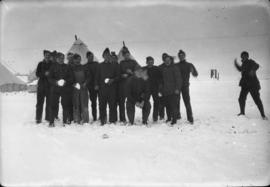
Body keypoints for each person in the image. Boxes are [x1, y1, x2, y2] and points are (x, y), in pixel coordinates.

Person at [234, 51, 267, 120]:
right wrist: (236, 64)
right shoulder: (243, 64)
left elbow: (257, 65)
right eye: (242, 56)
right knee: (241, 99)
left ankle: (263, 115)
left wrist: (252, 70)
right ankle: (242, 113)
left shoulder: (251, 62)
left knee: (257, 100)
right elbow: (240, 69)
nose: (243, 57)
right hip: (245, 85)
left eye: (245, 56)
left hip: (253, 85)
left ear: (247, 56)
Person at [95, 48, 119, 125]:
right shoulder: (100, 66)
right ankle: (103, 120)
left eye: (108, 55)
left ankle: (112, 120)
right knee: (102, 105)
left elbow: (118, 76)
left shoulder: (114, 65)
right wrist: (96, 85)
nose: (107, 56)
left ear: (110, 56)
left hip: (112, 89)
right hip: (102, 89)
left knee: (112, 105)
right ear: (103, 56)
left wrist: (112, 80)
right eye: (105, 55)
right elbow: (97, 77)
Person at [48, 52, 73, 127]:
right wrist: (56, 82)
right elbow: (49, 78)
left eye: (63, 58)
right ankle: (51, 122)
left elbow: (71, 78)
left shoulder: (67, 67)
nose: (61, 60)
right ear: (57, 59)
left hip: (65, 89)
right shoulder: (53, 67)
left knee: (65, 105)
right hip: (55, 89)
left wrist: (66, 81)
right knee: (53, 105)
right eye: (60, 58)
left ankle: (65, 121)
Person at [175, 50, 198, 124]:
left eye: (182, 55)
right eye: (180, 56)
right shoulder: (176, 65)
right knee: (176, 102)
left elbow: (196, 74)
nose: (181, 57)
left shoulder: (189, 65)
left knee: (187, 102)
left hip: (185, 86)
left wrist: (193, 71)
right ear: (178, 57)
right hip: (177, 86)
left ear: (184, 56)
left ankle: (190, 117)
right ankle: (177, 116)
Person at [118, 47, 140, 123]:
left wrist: (131, 73)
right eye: (125, 55)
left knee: (131, 101)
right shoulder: (121, 63)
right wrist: (122, 75)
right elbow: (118, 73)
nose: (127, 56)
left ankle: (131, 118)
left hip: (132, 85)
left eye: (128, 54)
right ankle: (123, 118)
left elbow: (138, 71)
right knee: (122, 102)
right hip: (123, 84)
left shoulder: (134, 62)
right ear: (123, 56)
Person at [160, 55, 182, 125]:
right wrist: (161, 90)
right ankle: (169, 118)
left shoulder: (175, 68)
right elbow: (162, 81)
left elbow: (179, 79)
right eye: (166, 60)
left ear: (170, 60)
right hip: (165, 91)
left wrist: (177, 89)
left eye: (168, 60)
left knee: (173, 106)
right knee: (167, 105)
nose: (167, 61)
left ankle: (174, 119)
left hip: (173, 91)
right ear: (164, 61)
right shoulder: (163, 69)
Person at [71, 54, 90, 124]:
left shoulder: (84, 67)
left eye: (78, 59)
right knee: (76, 104)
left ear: (80, 59)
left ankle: (85, 119)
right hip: (75, 89)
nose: (77, 61)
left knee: (84, 104)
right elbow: (70, 78)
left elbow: (89, 77)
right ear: (73, 60)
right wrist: (73, 84)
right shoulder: (71, 68)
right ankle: (77, 119)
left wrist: (85, 83)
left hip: (83, 88)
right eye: (76, 59)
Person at [35, 50, 53, 124]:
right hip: (41, 86)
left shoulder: (52, 64)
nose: (47, 56)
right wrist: (44, 73)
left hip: (49, 86)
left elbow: (54, 73)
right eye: (46, 55)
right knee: (39, 103)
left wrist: (50, 74)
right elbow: (37, 74)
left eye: (49, 55)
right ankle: (38, 118)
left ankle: (48, 118)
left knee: (49, 103)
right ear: (44, 55)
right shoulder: (40, 64)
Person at [143, 56, 162, 122]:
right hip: (146, 89)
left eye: (152, 62)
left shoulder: (157, 69)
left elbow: (160, 79)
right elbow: (139, 77)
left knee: (156, 103)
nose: (150, 63)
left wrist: (160, 88)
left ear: (153, 62)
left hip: (155, 88)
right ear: (146, 62)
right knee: (145, 103)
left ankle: (155, 117)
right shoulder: (143, 69)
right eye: (149, 62)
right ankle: (145, 117)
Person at [84, 51, 99, 121]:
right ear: (87, 57)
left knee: (100, 102)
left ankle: (100, 116)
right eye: (90, 57)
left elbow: (99, 74)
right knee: (93, 102)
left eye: (92, 57)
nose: (91, 58)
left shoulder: (97, 64)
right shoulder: (85, 66)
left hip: (98, 85)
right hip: (90, 86)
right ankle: (94, 117)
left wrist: (97, 84)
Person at [158, 53, 168, 120]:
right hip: (161, 87)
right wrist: (159, 89)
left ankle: (170, 115)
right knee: (161, 102)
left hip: (169, 87)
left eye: (165, 57)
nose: (164, 59)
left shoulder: (171, 66)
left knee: (169, 102)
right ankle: (161, 116)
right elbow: (157, 78)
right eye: (163, 57)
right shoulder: (160, 67)